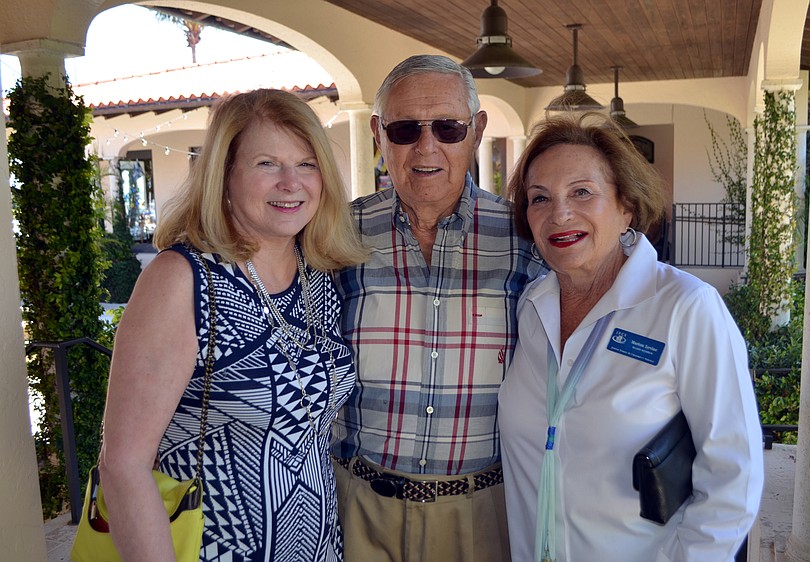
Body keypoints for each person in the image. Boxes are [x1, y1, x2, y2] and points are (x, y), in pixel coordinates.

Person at [99, 88, 367, 561]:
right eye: (267, 164)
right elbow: (123, 465)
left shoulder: (319, 275)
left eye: (306, 164)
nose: (291, 183)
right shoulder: (182, 279)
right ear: (224, 176)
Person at [500, 113, 764, 561]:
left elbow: (733, 477)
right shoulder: (532, 308)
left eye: (582, 192)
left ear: (626, 206)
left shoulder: (684, 307)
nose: (559, 213)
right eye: (539, 198)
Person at [331, 54, 546, 562]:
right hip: (358, 510)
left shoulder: (525, 236)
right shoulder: (336, 235)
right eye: (406, 129)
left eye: (448, 127)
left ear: (476, 131)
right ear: (379, 134)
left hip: (482, 513)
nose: (426, 146)